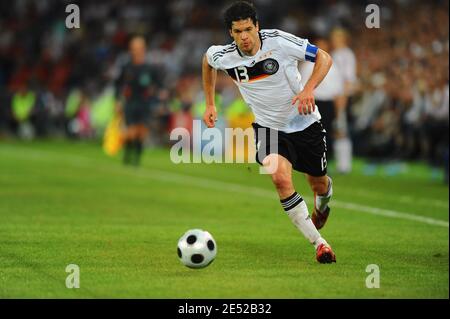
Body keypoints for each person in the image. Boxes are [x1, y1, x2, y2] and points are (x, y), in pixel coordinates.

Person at [202, 1, 336, 263]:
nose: (244, 37)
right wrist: (209, 102)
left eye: (248, 29)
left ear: (257, 27)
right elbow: (207, 62)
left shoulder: (279, 42)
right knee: (279, 178)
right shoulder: (224, 55)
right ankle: (320, 244)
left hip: (305, 124)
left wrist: (308, 89)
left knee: (318, 183)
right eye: (238, 31)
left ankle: (323, 203)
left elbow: (324, 57)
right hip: (268, 128)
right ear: (231, 33)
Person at [115, 35, 160, 166]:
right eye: (134, 48)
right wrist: (118, 100)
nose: (136, 50)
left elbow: (158, 84)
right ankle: (128, 154)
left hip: (144, 102)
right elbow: (118, 84)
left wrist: (156, 95)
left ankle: (136, 159)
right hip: (130, 101)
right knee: (130, 131)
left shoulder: (149, 68)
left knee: (141, 131)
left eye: (139, 48)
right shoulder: (126, 67)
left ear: (143, 49)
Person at [330, 28, 357, 174]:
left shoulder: (347, 55)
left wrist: (343, 97)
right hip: (333, 95)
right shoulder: (334, 54)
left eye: (337, 37)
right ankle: (340, 163)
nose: (334, 40)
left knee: (342, 128)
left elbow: (348, 78)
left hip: (341, 96)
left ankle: (345, 165)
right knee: (336, 128)